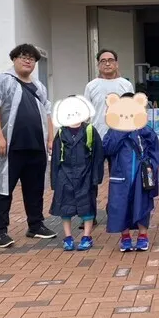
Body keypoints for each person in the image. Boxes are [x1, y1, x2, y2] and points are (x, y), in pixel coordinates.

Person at [0, 44, 57, 248]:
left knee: (35, 189)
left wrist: (51, 139)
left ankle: (36, 225)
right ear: (14, 59)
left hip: (36, 147)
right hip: (10, 147)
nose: (28, 61)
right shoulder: (3, 80)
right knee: (3, 189)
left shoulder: (39, 86)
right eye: (23, 57)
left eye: (32, 59)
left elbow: (48, 113)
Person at [101, 92, 159, 252]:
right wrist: (122, 131)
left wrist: (152, 167)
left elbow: (155, 150)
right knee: (121, 205)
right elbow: (107, 148)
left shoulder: (145, 130)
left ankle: (143, 236)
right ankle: (125, 236)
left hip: (141, 175)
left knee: (143, 204)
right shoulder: (113, 130)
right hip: (120, 176)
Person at [83, 48, 134, 228]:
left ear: (116, 63)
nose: (107, 63)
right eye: (103, 60)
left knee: (118, 177)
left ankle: (115, 211)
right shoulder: (91, 86)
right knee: (91, 179)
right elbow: (86, 114)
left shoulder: (125, 85)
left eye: (110, 60)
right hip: (96, 137)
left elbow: (131, 111)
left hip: (120, 138)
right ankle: (89, 215)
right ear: (98, 65)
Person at [49, 99, 105, 251]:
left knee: (87, 207)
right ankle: (68, 237)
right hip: (65, 176)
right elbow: (55, 159)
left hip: (85, 175)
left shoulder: (90, 130)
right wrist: (55, 180)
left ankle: (87, 236)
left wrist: (96, 177)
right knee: (65, 208)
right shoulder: (61, 132)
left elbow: (98, 156)